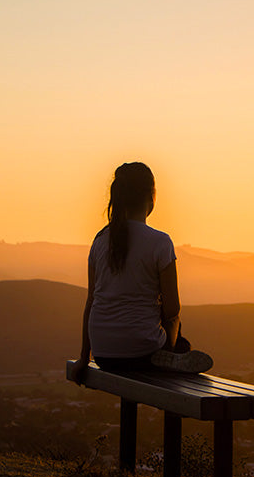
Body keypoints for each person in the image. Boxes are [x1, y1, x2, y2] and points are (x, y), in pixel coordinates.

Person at [71, 162, 212, 384]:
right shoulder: (160, 242)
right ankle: (173, 354)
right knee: (178, 331)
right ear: (151, 196)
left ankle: (172, 354)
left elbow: (91, 302)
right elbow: (172, 308)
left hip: (103, 354)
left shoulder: (99, 241)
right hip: (143, 353)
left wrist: (83, 358)